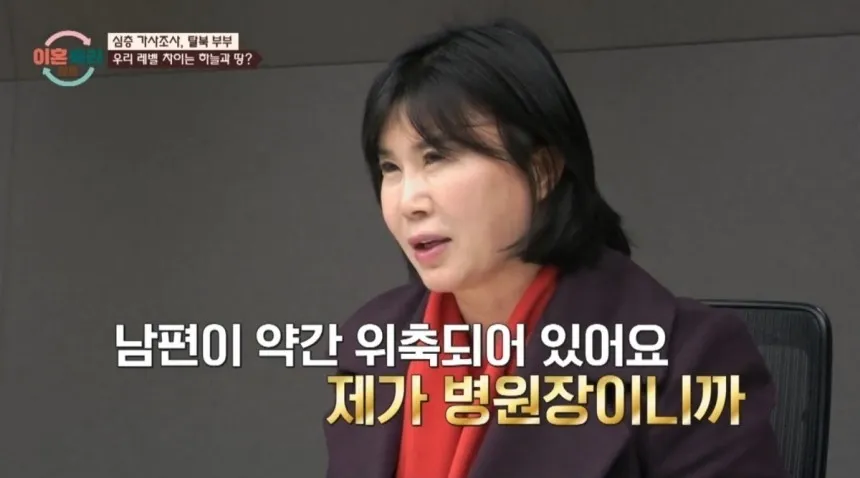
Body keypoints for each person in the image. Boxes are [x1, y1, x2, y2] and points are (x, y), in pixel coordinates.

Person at [323, 19, 788, 478]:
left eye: (437, 157)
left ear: (541, 171)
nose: (408, 201)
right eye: (390, 168)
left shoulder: (690, 358)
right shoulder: (373, 341)